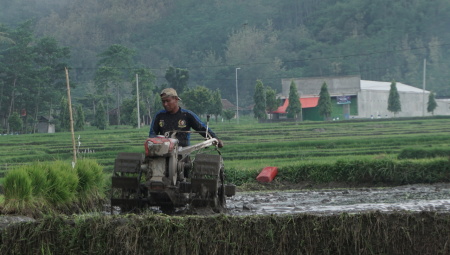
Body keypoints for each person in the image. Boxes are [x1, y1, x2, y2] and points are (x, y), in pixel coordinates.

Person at [149, 88, 223, 148]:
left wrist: (215, 139)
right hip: (164, 152)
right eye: (163, 101)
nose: (165, 104)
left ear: (176, 99)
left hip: (183, 153)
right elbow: (152, 134)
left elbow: (202, 128)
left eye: (168, 101)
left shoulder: (187, 115)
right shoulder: (159, 116)